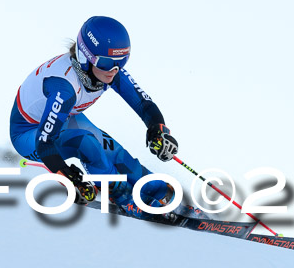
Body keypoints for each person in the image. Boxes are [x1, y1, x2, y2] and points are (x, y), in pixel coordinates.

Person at [9, 16, 179, 219]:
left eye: (121, 61)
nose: (114, 70)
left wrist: (157, 129)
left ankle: (159, 191)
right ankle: (124, 198)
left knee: (110, 148)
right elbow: (45, 141)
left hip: (62, 120)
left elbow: (144, 104)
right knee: (87, 144)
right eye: (107, 63)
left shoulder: (107, 71)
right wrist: (66, 174)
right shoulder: (64, 88)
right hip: (28, 134)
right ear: (85, 57)